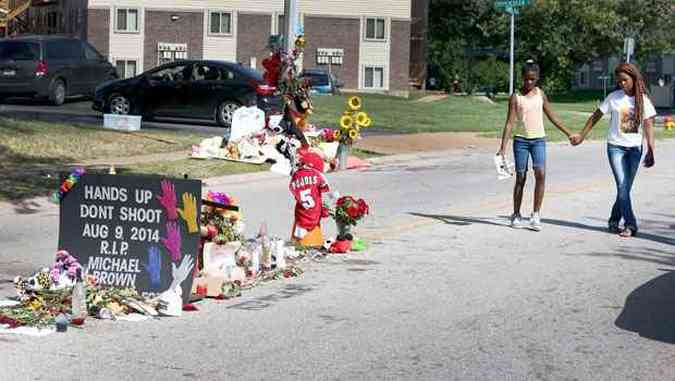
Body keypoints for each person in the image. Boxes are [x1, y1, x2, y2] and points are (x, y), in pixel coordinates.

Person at [569, 63, 656, 238]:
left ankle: (614, 220)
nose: (622, 84)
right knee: (623, 186)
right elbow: (596, 116)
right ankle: (631, 224)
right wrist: (582, 135)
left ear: (634, 78)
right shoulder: (613, 97)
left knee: (625, 188)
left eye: (625, 80)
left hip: (634, 150)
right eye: (619, 81)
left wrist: (651, 150)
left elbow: (648, 126)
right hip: (615, 147)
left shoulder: (643, 100)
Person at [498, 59, 574, 231]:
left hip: (539, 140)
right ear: (522, 78)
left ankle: (536, 214)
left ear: (537, 78)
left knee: (540, 173)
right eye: (526, 79)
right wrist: (503, 147)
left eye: (532, 79)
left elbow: (553, 117)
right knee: (521, 177)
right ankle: (516, 214)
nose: (529, 82)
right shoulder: (515, 97)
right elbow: (509, 123)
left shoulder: (541, 95)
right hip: (521, 141)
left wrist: (568, 133)